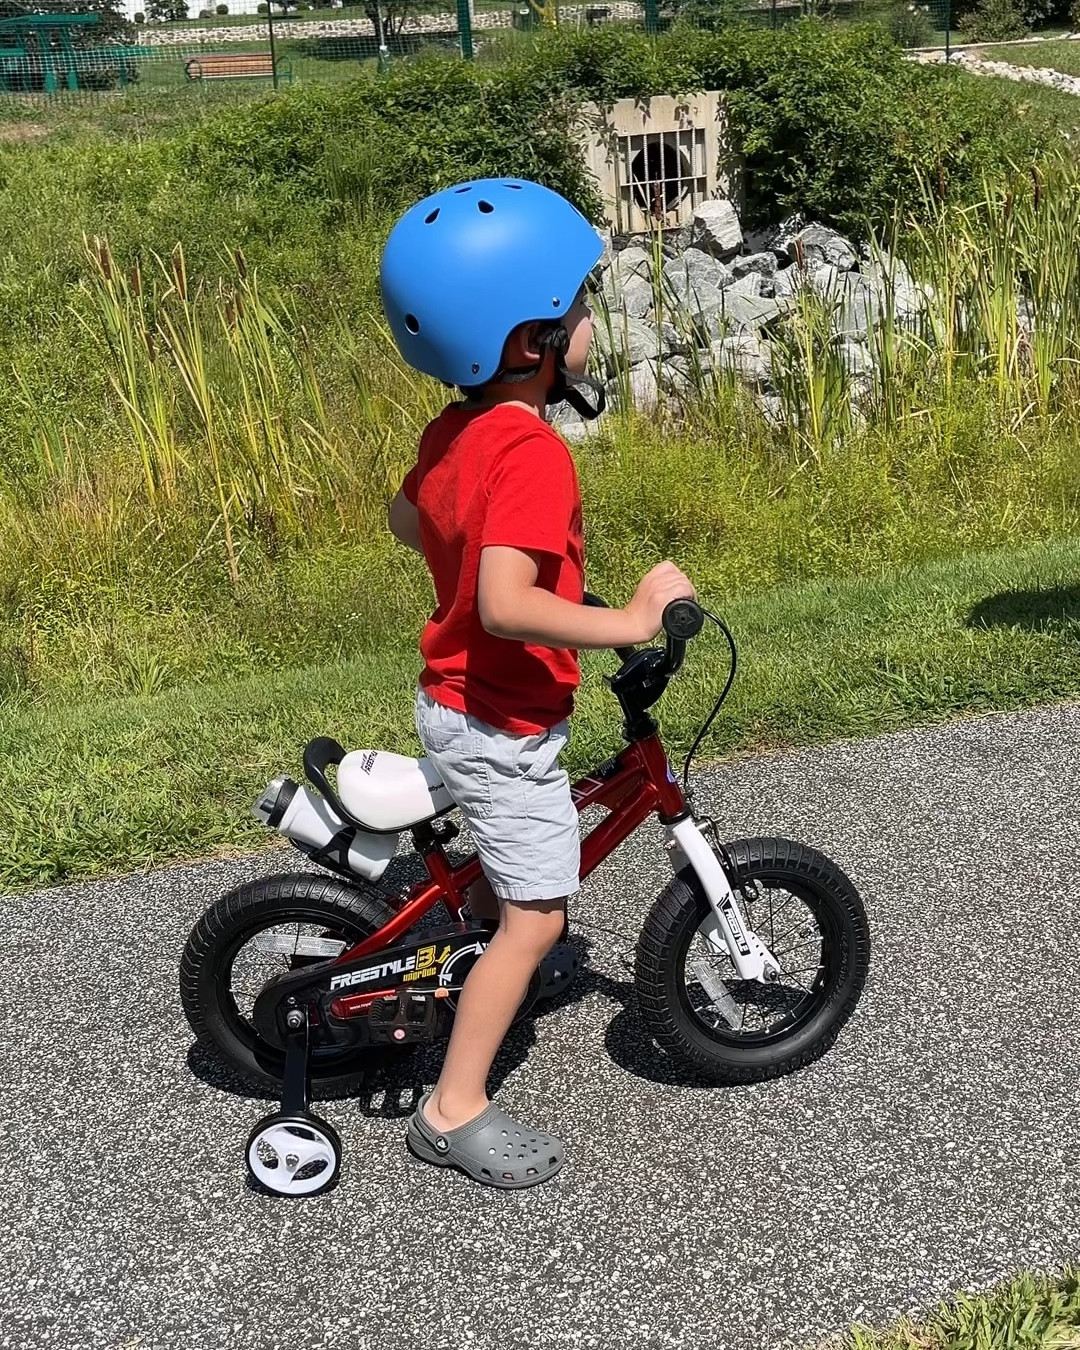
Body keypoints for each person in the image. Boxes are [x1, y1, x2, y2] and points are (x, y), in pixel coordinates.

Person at [382, 177, 694, 1188]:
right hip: (499, 717)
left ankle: (488, 933)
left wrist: (498, 556)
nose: (591, 322)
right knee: (539, 918)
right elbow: (509, 603)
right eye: (576, 308)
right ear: (529, 343)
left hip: (460, 699)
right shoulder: (533, 452)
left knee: (524, 855)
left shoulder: (457, 431)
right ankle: (452, 1107)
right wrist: (627, 620)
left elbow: (411, 519)